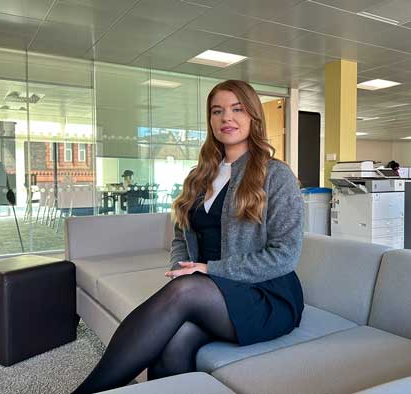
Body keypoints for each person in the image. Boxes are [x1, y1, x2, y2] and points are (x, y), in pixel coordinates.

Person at [72, 80, 305, 394]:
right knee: (172, 346)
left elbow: (287, 254)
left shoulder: (276, 175)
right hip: (210, 292)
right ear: (210, 120)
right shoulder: (200, 175)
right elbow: (182, 233)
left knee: (184, 292)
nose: (227, 118)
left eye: (237, 109)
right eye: (217, 111)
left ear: (253, 117)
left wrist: (208, 271)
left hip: (264, 295)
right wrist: (181, 267)